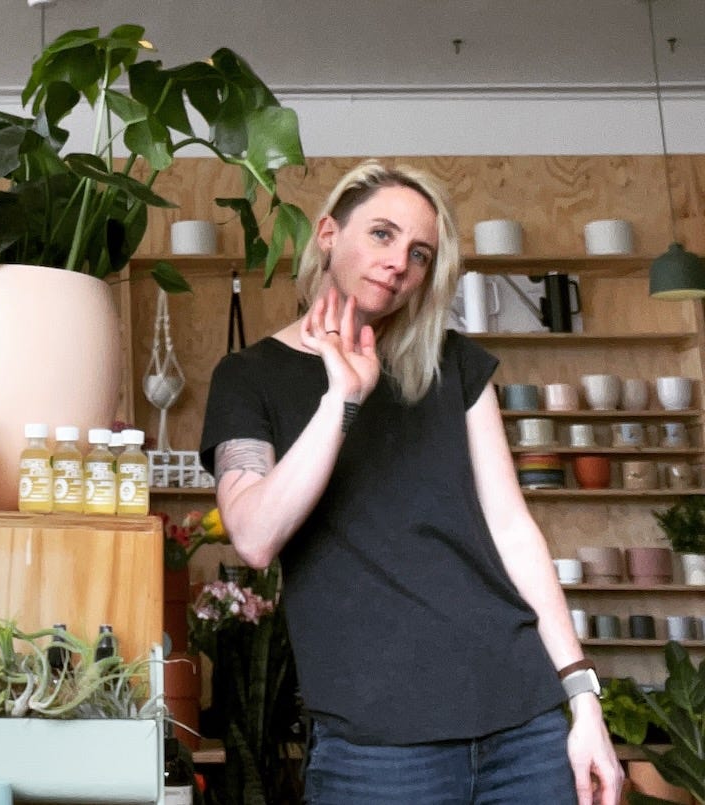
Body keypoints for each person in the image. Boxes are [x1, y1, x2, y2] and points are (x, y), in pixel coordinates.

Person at [199, 160, 623, 804]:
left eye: (419, 252)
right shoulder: (250, 377)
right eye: (382, 234)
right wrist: (342, 398)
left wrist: (582, 700)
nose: (399, 261)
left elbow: (513, 531)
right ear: (327, 234)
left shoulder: (452, 365)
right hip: (378, 751)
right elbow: (255, 535)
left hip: (522, 724)